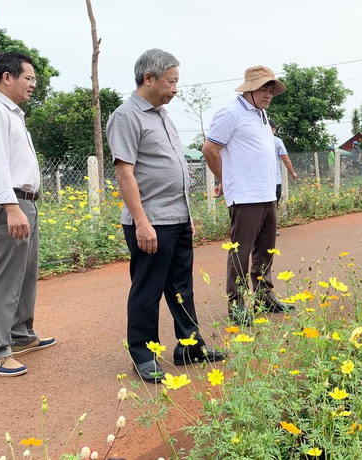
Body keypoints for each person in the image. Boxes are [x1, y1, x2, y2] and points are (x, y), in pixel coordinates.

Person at [106, 49, 224, 383]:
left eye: (176, 82)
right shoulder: (126, 116)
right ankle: (143, 353)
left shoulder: (162, 115)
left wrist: (186, 215)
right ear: (149, 78)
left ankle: (189, 346)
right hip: (151, 222)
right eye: (171, 81)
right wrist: (141, 221)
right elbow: (125, 173)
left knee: (181, 287)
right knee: (147, 288)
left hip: (176, 219)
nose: (175, 88)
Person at [0, 52, 56, 377]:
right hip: (6, 204)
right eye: (29, 78)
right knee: (5, 276)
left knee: (25, 273)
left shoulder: (10, 112)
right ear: (7, 77)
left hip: (23, 203)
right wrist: (10, 207)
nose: (33, 84)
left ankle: (20, 335)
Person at [202, 65, 291, 326]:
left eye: (272, 89)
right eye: (265, 88)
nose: (269, 94)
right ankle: (237, 304)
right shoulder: (231, 112)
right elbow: (209, 149)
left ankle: (265, 296)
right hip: (244, 195)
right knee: (240, 252)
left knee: (266, 249)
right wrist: (225, 181)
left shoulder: (261, 114)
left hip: (266, 192)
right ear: (250, 87)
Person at [269, 119, 297, 236]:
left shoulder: (254, 141)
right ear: (274, 130)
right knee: (273, 205)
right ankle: (271, 230)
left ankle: (260, 230)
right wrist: (292, 173)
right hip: (274, 180)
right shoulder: (276, 141)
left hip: (260, 181)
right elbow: (285, 158)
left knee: (260, 206)